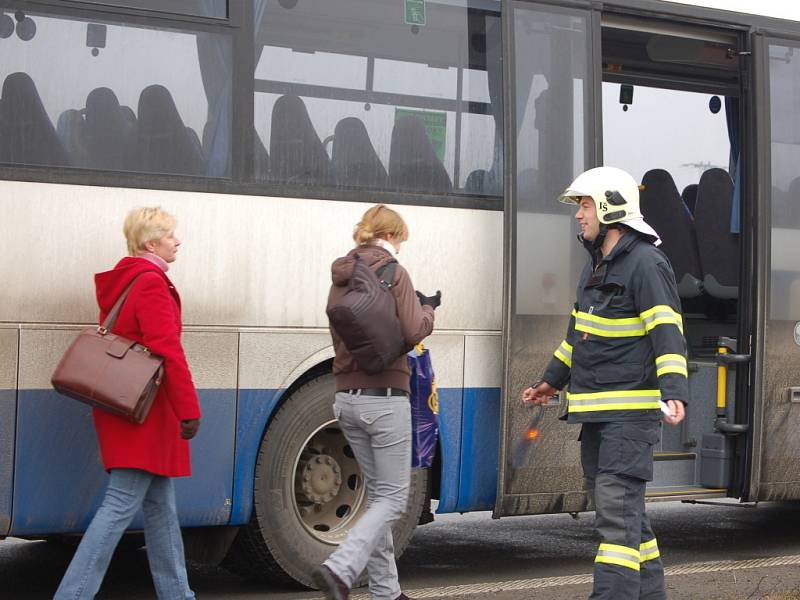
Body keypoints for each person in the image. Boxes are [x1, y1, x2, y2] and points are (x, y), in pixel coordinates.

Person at [522, 167, 688, 600]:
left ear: (612, 206)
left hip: (629, 420)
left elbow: (667, 332)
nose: (579, 215)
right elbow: (577, 338)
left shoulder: (647, 264)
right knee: (629, 521)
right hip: (596, 415)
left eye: (585, 204)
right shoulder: (595, 269)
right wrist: (550, 381)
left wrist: (674, 390)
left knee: (615, 524)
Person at [54, 207, 201, 600]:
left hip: (126, 407)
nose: (178, 241)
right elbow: (167, 350)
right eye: (171, 236)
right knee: (119, 506)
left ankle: (178, 594)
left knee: (161, 510)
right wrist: (189, 408)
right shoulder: (151, 283)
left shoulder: (127, 279)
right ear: (151, 243)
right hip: (144, 415)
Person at [313, 204, 441, 600]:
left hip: (346, 399)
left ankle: (386, 591)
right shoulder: (394, 272)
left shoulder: (343, 276)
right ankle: (340, 568)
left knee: (378, 498)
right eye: (402, 238)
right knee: (392, 498)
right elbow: (413, 330)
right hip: (385, 399)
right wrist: (428, 308)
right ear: (394, 236)